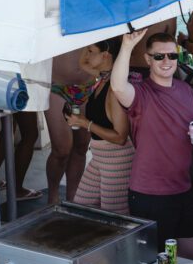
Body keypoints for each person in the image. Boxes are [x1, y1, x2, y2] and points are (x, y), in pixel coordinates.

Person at [111, 29, 193, 257]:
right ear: (148, 59)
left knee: (192, 250)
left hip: (182, 188)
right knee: (158, 260)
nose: (167, 61)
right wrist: (126, 47)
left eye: (172, 56)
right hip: (150, 193)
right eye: (159, 56)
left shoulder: (186, 91)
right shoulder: (141, 94)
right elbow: (117, 86)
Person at [65, 39, 134, 215]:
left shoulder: (113, 88)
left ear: (105, 54)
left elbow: (120, 137)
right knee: (81, 208)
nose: (86, 55)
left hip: (117, 161)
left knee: (115, 219)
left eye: (90, 51)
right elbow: (81, 63)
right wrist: (92, 34)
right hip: (100, 157)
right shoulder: (101, 76)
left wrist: (84, 123)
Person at [46, 49, 97, 204]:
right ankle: (52, 196)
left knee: (81, 146)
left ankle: (73, 197)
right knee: (61, 149)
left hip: (88, 85)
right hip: (56, 85)